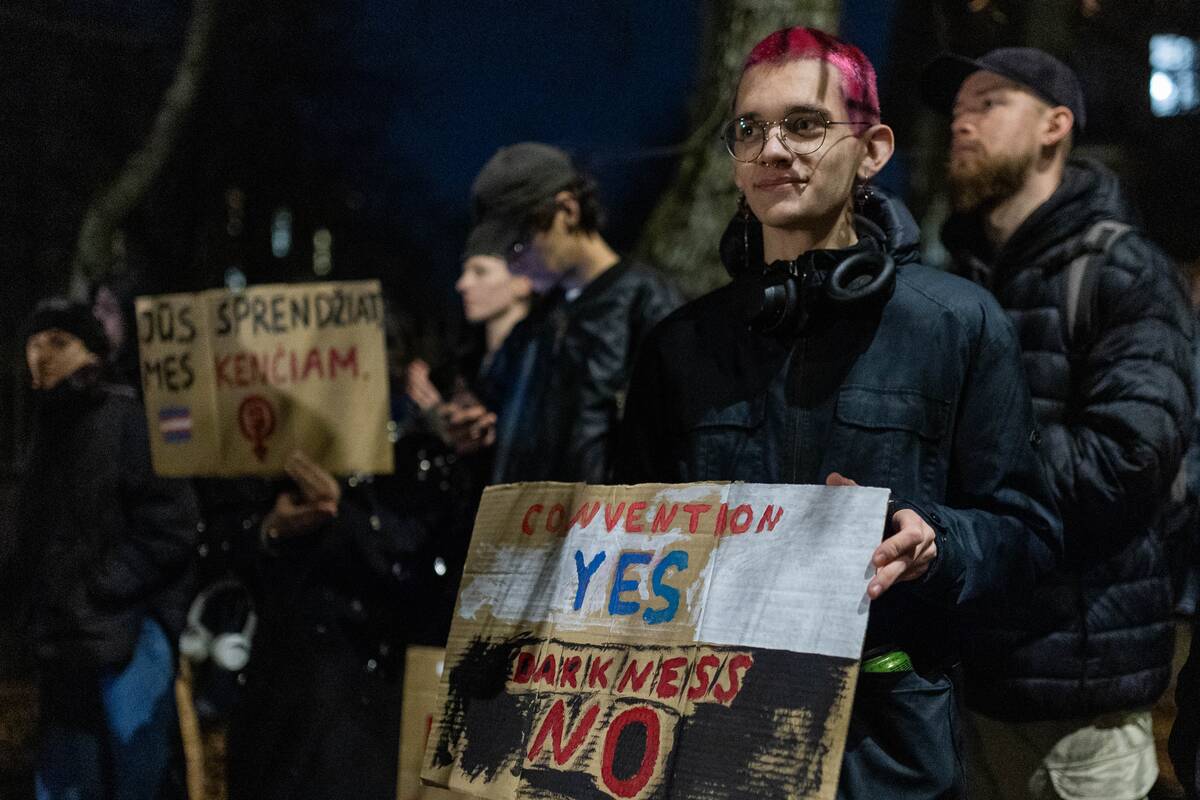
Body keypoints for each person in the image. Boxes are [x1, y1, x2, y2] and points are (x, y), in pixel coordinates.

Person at [617, 27, 1062, 799]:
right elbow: (628, 543)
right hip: (707, 747)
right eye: (748, 128)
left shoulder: (957, 323)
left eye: (806, 124)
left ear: (875, 149)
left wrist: (938, 544)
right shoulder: (678, 348)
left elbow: (1028, 532)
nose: (772, 148)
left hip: (887, 755)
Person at [921, 47, 1195, 799]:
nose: (962, 122)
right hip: (975, 678)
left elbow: (1128, 458)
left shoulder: (1121, 267)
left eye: (989, 102)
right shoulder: (957, 277)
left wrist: (962, 459)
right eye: (957, 109)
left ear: (1056, 126)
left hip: (1082, 697)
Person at [6, 298, 199, 800]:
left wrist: (100, 587)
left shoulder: (129, 417)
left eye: (59, 342)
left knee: (135, 775)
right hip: (66, 637)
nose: (41, 354)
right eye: (34, 342)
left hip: (128, 634)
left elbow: (172, 523)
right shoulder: (42, 427)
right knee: (69, 779)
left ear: (91, 353)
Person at [461, 142, 679, 483]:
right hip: (523, 529)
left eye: (519, 245)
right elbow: (487, 401)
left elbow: (670, 444)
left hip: (601, 530)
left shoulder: (648, 303)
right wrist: (467, 420)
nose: (514, 263)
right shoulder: (536, 323)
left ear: (567, 211)